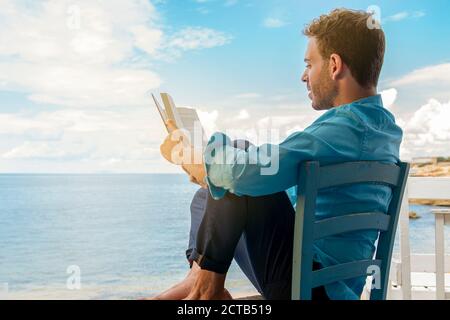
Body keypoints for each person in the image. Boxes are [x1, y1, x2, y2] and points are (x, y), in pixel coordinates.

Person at [150, 8, 403, 300]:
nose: (303, 76)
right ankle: (198, 278)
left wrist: (189, 156)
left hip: (309, 291)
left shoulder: (346, 129)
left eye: (310, 64)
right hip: (336, 289)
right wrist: (212, 177)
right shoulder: (385, 132)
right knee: (208, 195)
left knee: (239, 161)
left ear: (334, 65)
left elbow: (242, 173)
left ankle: (205, 292)